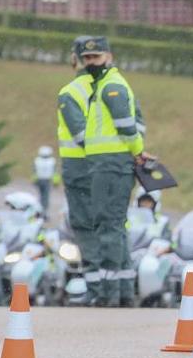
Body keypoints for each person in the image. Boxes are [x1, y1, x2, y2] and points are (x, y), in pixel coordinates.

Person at [81, 37, 150, 307]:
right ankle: (122, 290)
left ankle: (110, 292)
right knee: (114, 224)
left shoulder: (111, 86)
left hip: (111, 163)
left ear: (108, 56)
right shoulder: (105, 84)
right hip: (108, 163)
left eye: (95, 58)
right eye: (87, 59)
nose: (90, 63)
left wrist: (137, 151)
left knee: (107, 223)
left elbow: (126, 126)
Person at [58, 38, 98, 301]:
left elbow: (80, 135)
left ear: (75, 59)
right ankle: (114, 288)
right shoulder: (113, 85)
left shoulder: (70, 92)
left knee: (84, 227)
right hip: (110, 168)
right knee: (109, 226)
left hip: (80, 168)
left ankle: (95, 288)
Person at [32, 146, 57, 218]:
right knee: (46, 197)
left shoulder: (37, 160)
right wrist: (56, 182)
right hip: (47, 180)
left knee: (40, 196)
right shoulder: (52, 161)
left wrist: (34, 180)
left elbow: (34, 171)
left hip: (39, 180)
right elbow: (55, 173)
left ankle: (39, 211)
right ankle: (44, 213)